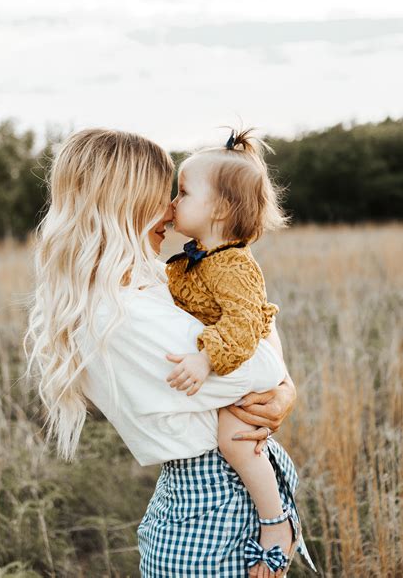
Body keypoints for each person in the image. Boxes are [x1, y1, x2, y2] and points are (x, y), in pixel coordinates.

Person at [24, 128, 316, 578]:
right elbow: (263, 363)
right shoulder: (121, 313)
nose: (171, 210)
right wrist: (281, 385)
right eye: (163, 196)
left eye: (177, 194)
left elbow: (255, 329)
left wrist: (283, 388)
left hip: (219, 501)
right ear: (124, 204)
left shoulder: (148, 283)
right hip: (210, 511)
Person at [164, 129, 297, 576]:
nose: (173, 201)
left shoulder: (234, 265)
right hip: (236, 359)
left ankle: (275, 522)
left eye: (182, 192)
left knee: (234, 440)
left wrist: (205, 358)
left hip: (243, 359)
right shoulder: (198, 257)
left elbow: (242, 325)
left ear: (220, 209)